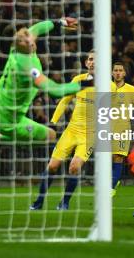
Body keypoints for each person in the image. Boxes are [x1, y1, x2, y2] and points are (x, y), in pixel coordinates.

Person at [30, 52, 95, 211]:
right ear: (86, 63)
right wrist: (53, 123)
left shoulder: (110, 86)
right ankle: (38, 202)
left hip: (89, 135)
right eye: (91, 59)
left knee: (74, 167)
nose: (93, 62)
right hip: (71, 130)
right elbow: (64, 102)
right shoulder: (78, 80)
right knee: (52, 166)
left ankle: (64, 202)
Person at [110, 61, 134, 196]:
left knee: (118, 157)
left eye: (120, 70)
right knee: (108, 158)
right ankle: (113, 180)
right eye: (115, 70)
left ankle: (110, 188)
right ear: (112, 73)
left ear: (124, 73)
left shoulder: (131, 90)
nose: (118, 73)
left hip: (123, 128)